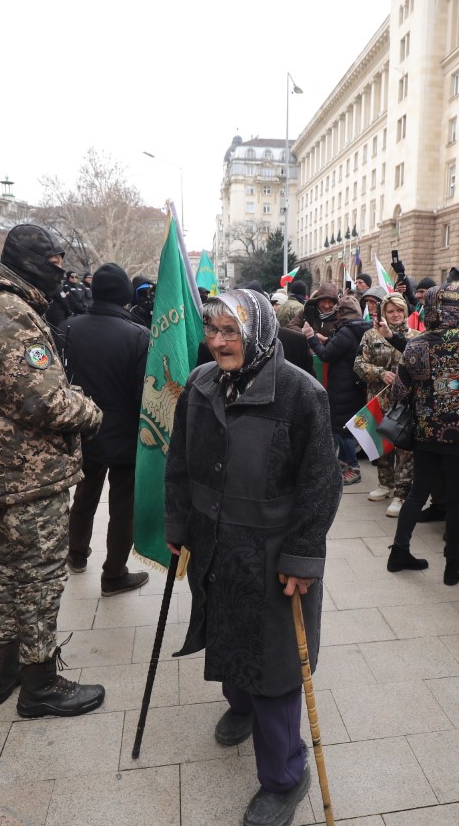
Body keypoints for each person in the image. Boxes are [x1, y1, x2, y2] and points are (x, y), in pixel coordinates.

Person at [166, 289, 341, 826]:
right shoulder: (199, 384)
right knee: (223, 630)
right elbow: (178, 462)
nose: (218, 342)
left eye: (231, 332)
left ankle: (286, 776)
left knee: (275, 662)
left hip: (270, 552)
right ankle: (239, 706)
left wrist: (302, 555)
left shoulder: (298, 392)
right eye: (213, 330)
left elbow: (321, 483)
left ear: (258, 331)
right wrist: (176, 525)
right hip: (214, 541)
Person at [0, 223, 106, 718]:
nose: (61, 275)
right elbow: (46, 400)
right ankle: (40, 683)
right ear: (33, 261)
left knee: (12, 573)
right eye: (55, 264)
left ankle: (1, 672)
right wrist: (90, 411)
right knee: (38, 578)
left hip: (6, 467)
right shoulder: (6, 312)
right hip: (27, 472)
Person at [386, 276, 459, 585]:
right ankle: (452, 566)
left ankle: (398, 552)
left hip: (424, 434)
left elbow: (398, 393)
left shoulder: (416, 342)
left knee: (418, 492)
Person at [59, 263, 151, 597]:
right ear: (126, 295)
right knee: (122, 506)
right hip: (127, 435)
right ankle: (113, 574)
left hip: (83, 431)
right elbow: (145, 393)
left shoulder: (67, 328)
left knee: (83, 496)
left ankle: (77, 554)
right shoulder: (139, 335)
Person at [354, 291, 417, 513]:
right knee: (382, 443)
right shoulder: (371, 335)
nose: (395, 314)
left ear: (406, 312)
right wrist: (380, 373)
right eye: (390, 311)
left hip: (405, 402)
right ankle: (385, 484)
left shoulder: (416, 337)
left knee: (404, 447)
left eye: (399, 310)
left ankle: (401, 494)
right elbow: (359, 364)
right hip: (379, 399)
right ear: (384, 313)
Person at [305, 294, 372, 485]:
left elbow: (326, 355)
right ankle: (343, 465)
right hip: (354, 385)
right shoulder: (362, 329)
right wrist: (328, 340)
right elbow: (342, 348)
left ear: (341, 313)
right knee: (347, 427)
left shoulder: (346, 332)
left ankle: (352, 467)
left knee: (342, 429)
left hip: (342, 386)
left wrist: (312, 338)